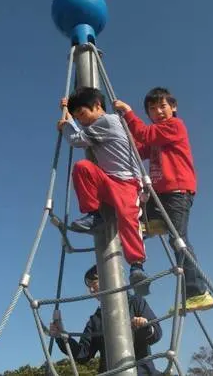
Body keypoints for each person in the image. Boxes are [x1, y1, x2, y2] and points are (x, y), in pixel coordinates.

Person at [113, 87, 213, 313]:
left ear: (173, 107)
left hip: (177, 190)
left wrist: (129, 114)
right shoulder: (157, 135)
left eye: (163, 106)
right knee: (133, 213)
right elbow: (140, 150)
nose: (158, 111)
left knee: (178, 239)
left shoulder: (174, 126)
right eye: (152, 108)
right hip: (160, 195)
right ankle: (149, 235)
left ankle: (198, 292)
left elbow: (145, 135)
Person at [57, 86, 149, 293]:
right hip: (109, 180)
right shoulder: (95, 124)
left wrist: (65, 125)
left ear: (98, 106)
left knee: (128, 216)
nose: (82, 120)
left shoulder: (107, 122)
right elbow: (80, 133)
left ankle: (137, 266)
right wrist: (68, 113)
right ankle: (95, 214)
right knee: (83, 168)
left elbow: (76, 139)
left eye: (83, 114)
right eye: (78, 117)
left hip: (128, 182)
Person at [49, 265, 163, 375]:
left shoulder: (135, 302)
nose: (91, 290)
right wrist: (61, 337)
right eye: (89, 286)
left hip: (141, 371)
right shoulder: (95, 319)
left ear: (108, 280)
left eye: (94, 283)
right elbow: (83, 354)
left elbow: (156, 333)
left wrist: (145, 326)